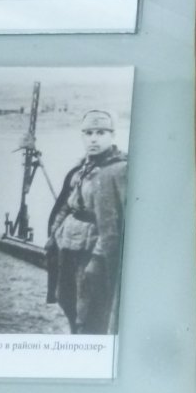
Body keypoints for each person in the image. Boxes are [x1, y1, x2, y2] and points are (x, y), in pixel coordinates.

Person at [44, 110, 127, 335]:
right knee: (65, 297)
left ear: (112, 136)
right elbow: (66, 204)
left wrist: (98, 259)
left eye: (100, 133)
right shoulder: (81, 168)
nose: (93, 139)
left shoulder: (119, 169)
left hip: (92, 248)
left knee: (89, 306)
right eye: (88, 133)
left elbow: (113, 221)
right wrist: (53, 236)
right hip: (67, 243)